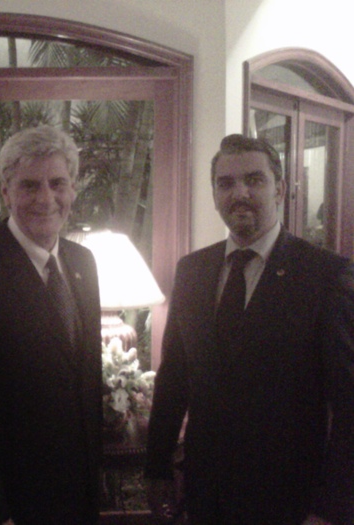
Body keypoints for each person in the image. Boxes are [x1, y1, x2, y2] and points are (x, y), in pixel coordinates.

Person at [145, 134, 354, 525]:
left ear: (280, 189)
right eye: (225, 183)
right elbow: (174, 378)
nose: (239, 193)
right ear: (214, 193)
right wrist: (157, 468)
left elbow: (348, 404)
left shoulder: (325, 275)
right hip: (205, 496)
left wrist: (331, 508)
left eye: (254, 180)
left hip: (290, 501)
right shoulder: (191, 271)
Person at [0, 125, 102, 525]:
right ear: (5, 192)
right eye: (30, 185)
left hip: (79, 497)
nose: (46, 198)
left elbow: (85, 378)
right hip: (12, 504)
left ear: (72, 189)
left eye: (57, 183)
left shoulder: (83, 263)